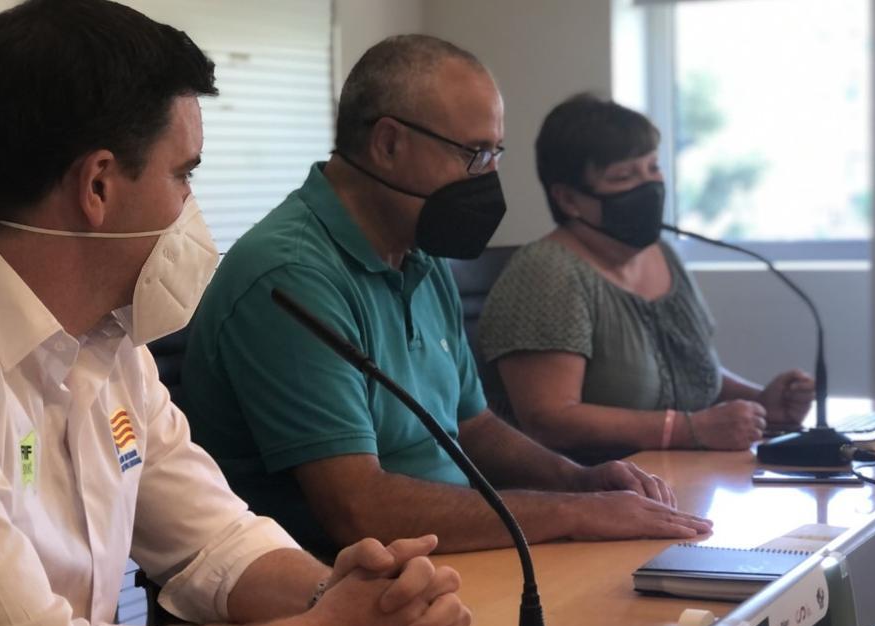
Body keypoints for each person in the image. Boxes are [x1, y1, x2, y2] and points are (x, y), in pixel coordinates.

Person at [0, 2, 470, 626]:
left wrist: (343, 599)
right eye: (184, 174)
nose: (190, 207)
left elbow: (216, 540)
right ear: (98, 184)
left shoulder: (110, 342)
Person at [178, 35, 713, 559]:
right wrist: (572, 514)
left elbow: (472, 426)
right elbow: (358, 511)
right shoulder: (292, 275)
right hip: (332, 588)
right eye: (475, 154)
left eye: (495, 153)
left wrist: (580, 482)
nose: (491, 178)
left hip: (449, 560)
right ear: (388, 144)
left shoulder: (419, 252)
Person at [477, 93, 814, 462]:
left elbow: (681, 370)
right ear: (569, 199)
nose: (648, 186)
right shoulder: (546, 271)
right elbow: (549, 420)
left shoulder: (662, 253)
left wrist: (761, 403)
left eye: (653, 168)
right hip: (589, 494)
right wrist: (690, 429)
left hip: (681, 479)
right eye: (624, 176)